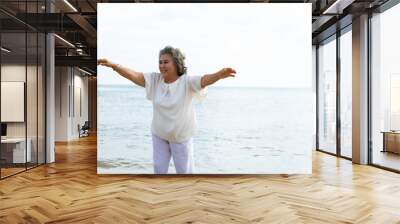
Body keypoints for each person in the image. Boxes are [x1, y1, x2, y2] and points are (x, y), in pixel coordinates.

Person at [97, 46, 236, 174]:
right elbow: (134, 75)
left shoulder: (186, 82)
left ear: (176, 63)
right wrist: (115, 66)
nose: (162, 65)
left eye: (166, 62)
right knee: (159, 170)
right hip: (160, 134)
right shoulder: (155, 80)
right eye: (160, 62)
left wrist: (219, 75)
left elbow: (204, 80)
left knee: (185, 173)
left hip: (181, 136)